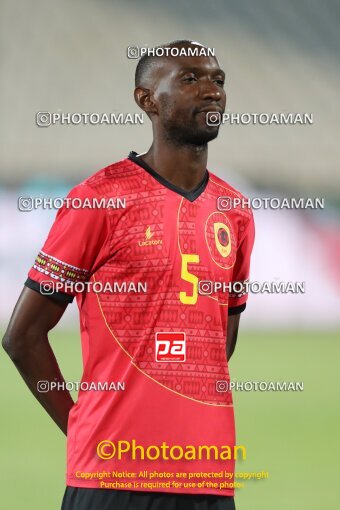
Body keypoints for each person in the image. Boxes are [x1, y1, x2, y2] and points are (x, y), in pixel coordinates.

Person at [2, 40, 255, 510]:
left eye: (218, 81)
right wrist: (82, 428)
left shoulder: (235, 211)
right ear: (146, 100)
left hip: (208, 481)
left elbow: (221, 339)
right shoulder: (99, 199)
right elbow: (23, 336)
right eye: (189, 79)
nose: (211, 91)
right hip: (112, 480)